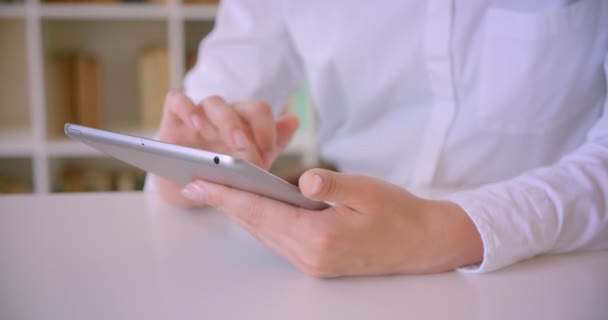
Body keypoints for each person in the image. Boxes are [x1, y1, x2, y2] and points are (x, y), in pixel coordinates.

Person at [152, 0, 608, 277]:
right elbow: (215, 99)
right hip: (344, 256)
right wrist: (188, 165)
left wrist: (448, 232)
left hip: (558, 262)